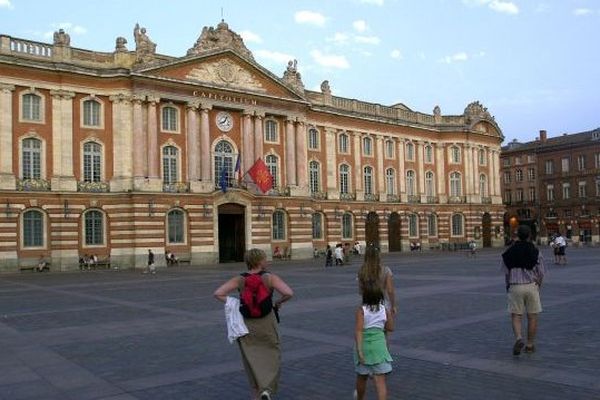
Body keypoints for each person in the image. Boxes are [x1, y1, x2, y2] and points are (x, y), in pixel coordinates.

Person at [214, 248, 293, 400]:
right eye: (265, 258)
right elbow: (289, 293)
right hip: (267, 322)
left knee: (251, 360)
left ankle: (257, 393)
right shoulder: (270, 278)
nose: (267, 261)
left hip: (247, 325)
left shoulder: (240, 279)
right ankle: (267, 389)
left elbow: (218, 293)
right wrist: (278, 302)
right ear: (259, 261)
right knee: (272, 354)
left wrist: (236, 303)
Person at [501, 225, 546, 355]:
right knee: (532, 316)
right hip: (531, 286)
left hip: (515, 286)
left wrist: (508, 286)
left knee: (516, 316)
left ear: (517, 236)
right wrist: (538, 286)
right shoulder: (536, 251)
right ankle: (530, 344)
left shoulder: (509, 252)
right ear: (529, 236)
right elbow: (541, 273)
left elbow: (506, 273)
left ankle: (519, 338)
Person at [354, 285, 394, 400]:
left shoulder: (362, 310)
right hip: (379, 347)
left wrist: (360, 351)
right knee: (380, 382)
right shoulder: (383, 309)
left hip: (365, 346)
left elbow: (359, 331)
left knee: (362, 377)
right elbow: (391, 327)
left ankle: (360, 398)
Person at [357, 245, 397, 315]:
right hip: (382, 303)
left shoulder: (362, 271)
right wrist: (393, 305)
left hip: (367, 304)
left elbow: (361, 290)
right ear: (378, 256)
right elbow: (390, 290)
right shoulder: (386, 270)